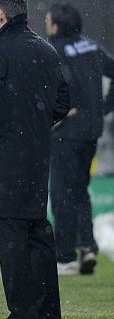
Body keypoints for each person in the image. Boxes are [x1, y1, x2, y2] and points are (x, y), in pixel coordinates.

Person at [0, 0, 71, 319]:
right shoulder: (46, 50)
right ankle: (47, 311)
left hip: (2, 160)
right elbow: (64, 101)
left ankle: (23, 312)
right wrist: (35, 126)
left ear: (0, 15)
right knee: (38, 233)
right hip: (36, 159)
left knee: (11, 240)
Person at [45, 3, 114, 276]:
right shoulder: (91, 47)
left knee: (61, 193)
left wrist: (65, 110)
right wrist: (104, 107)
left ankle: (65, 257)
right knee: (80, 190)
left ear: (57, 25)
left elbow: (67, 81)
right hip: (91, 131)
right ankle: (87, 246)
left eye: (49, 20)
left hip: (66, 132)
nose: (46, 24)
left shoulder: (56, 50)